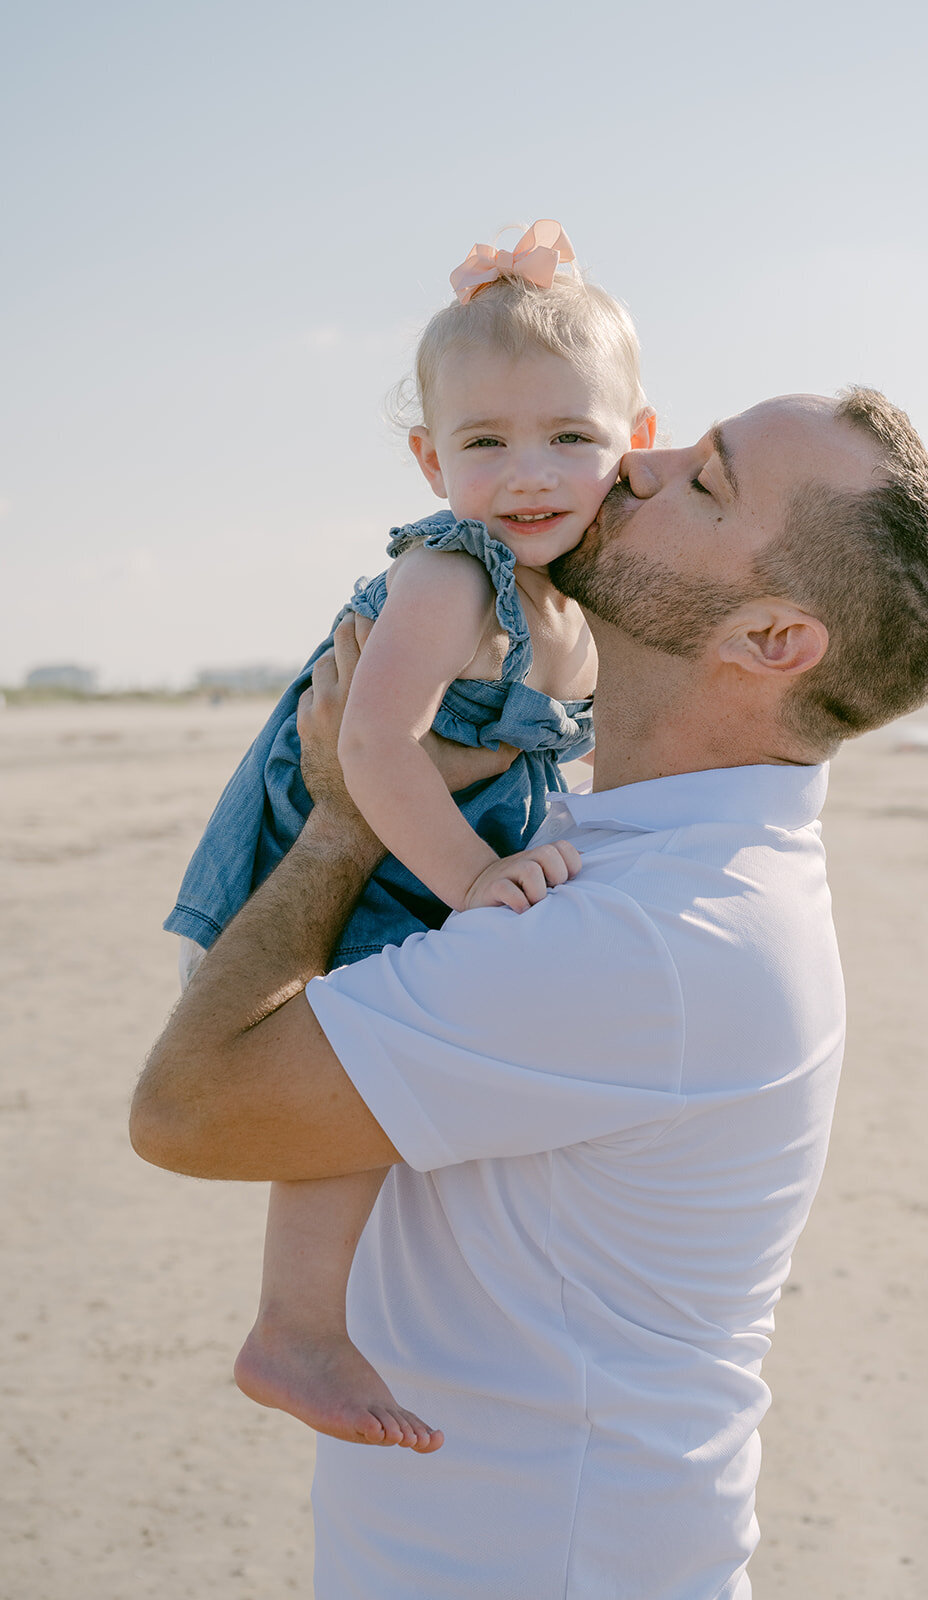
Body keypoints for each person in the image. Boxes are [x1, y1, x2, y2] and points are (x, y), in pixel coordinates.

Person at [131, 386, 928, 1600]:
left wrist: (338, 826)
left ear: (771, 638)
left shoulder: (650, 938)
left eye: (703, 480)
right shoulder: (620, 857)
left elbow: (188, 1110)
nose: (637, 462)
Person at [163, 221, 656, 1451]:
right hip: (340, 855)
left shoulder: (571, 597)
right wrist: (475, 878)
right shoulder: (455, 575)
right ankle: (292, 1328)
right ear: (431, 459)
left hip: (415, 849)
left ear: (633, 443)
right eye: (485, 442)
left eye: (569, 436)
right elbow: (370, 751)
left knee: (381, 1097)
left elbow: (539, 742)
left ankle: (312, 1320)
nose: (528, 470)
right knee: (350, 1096)